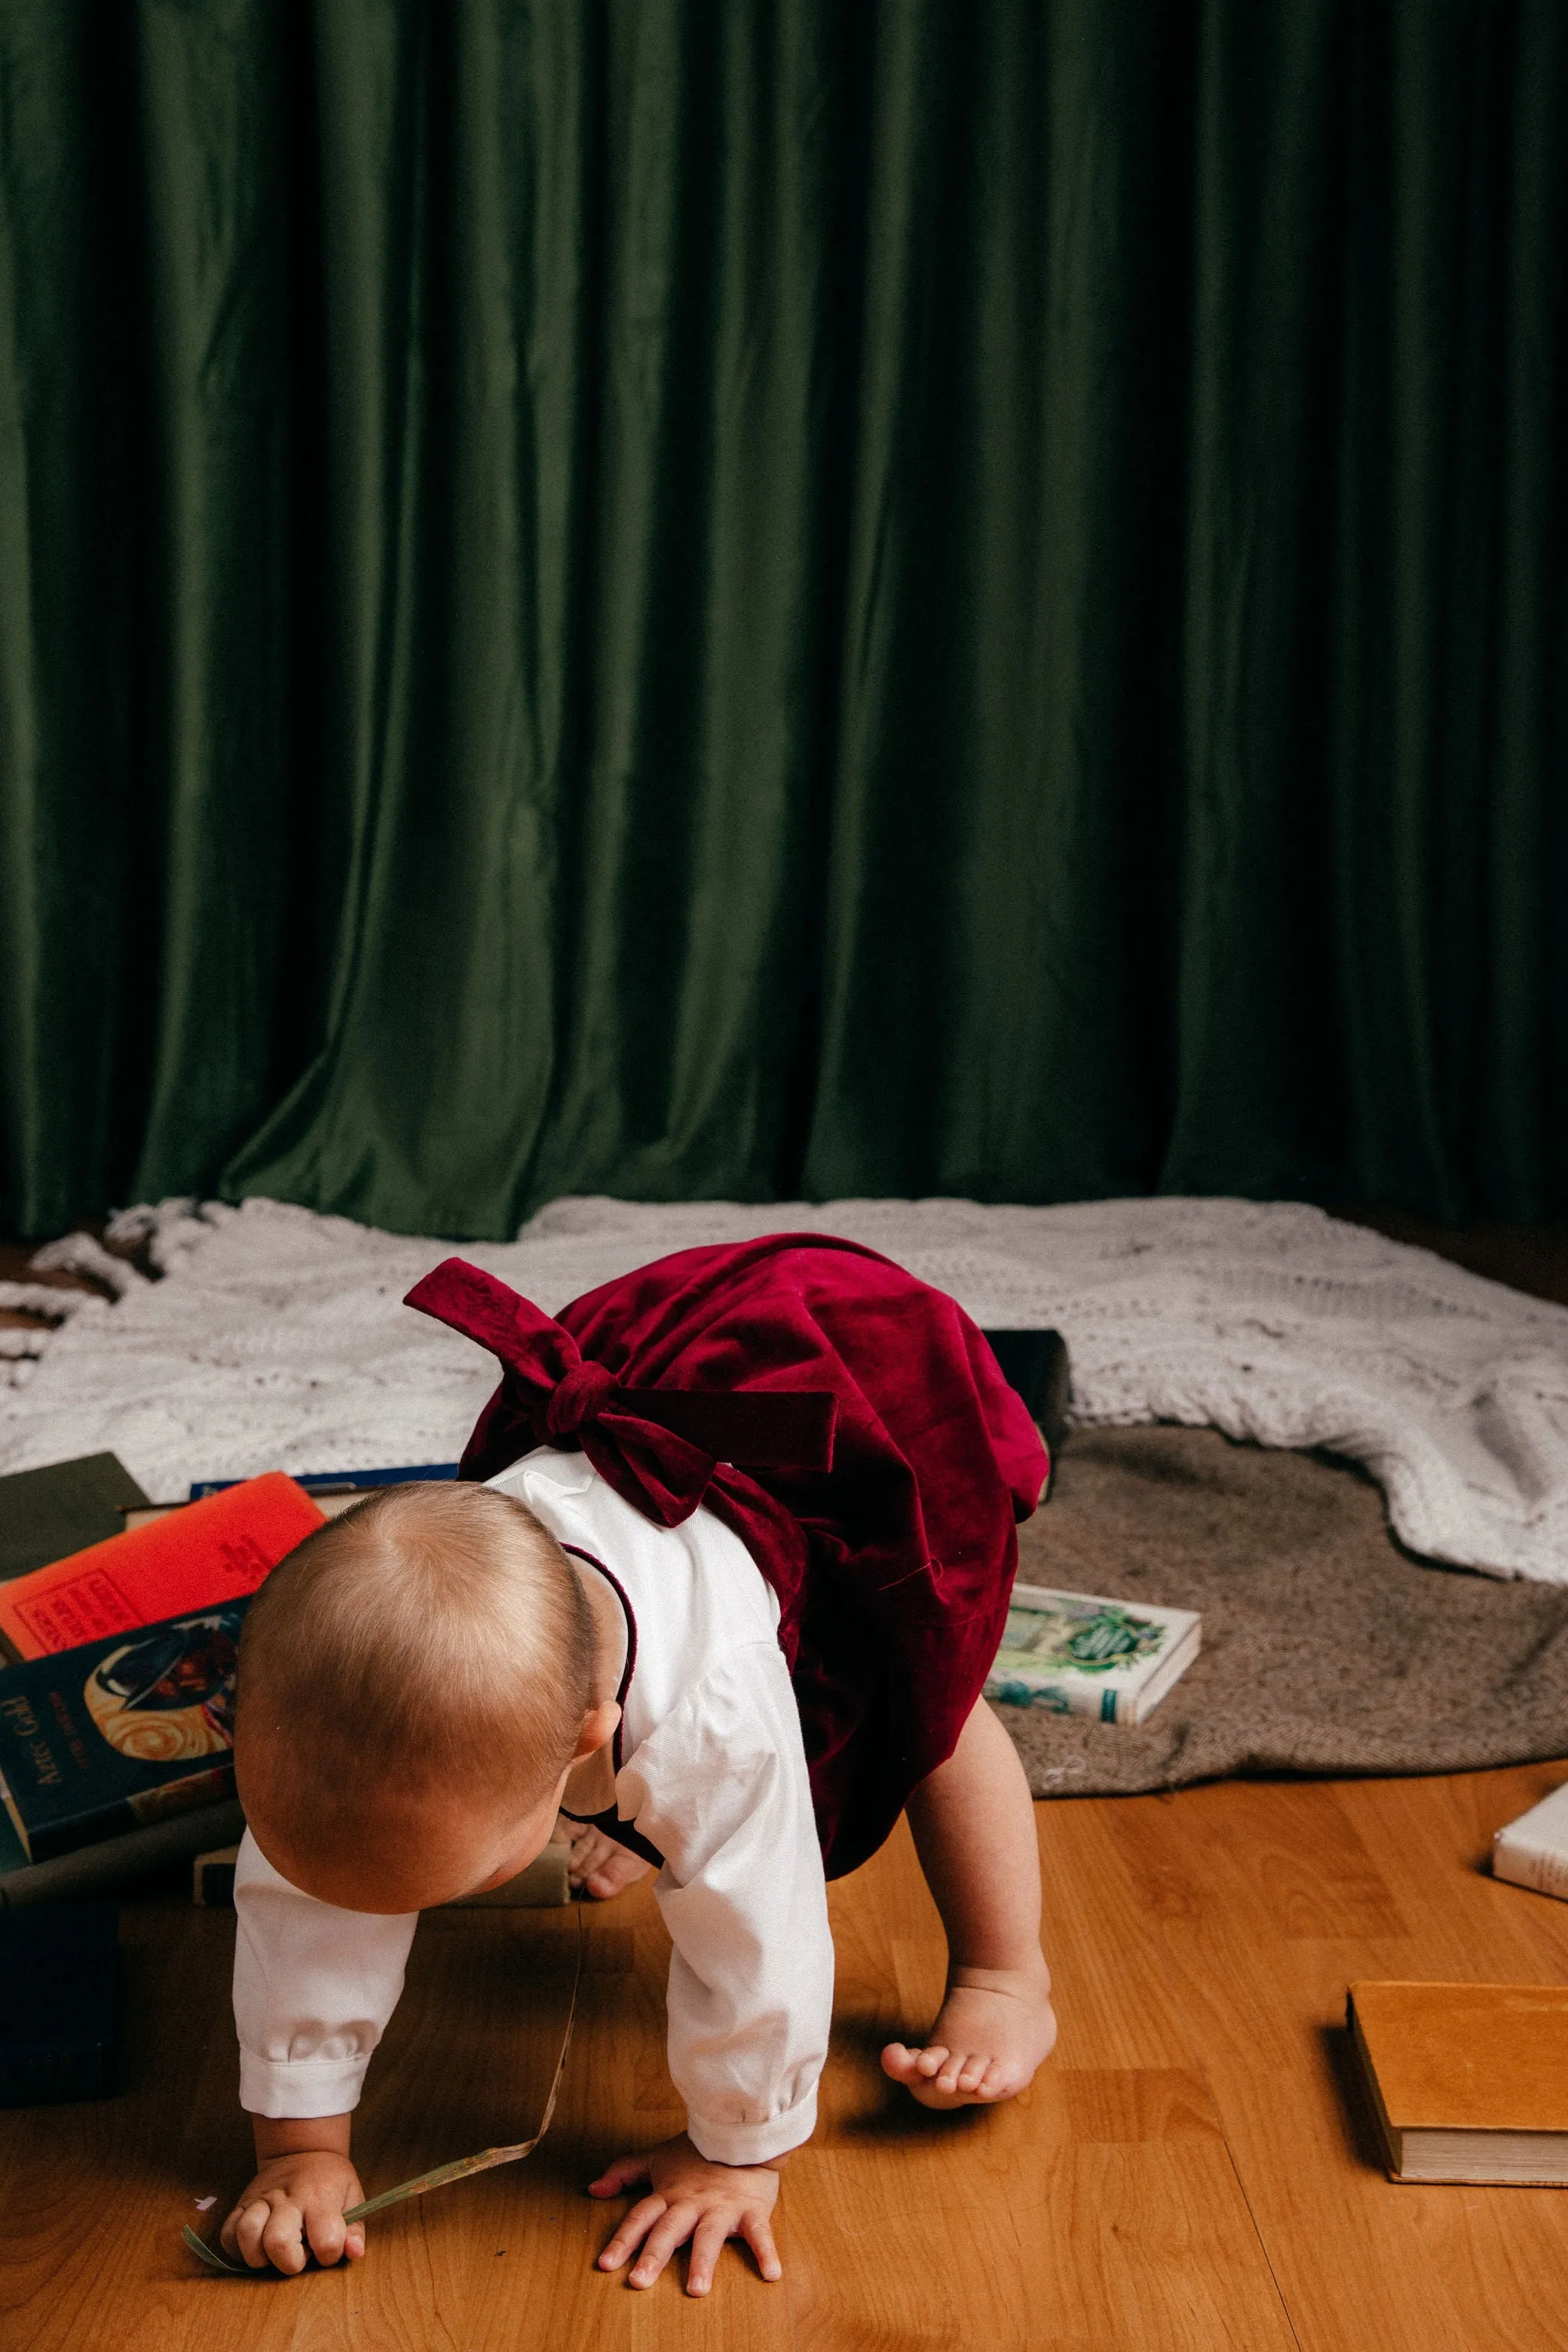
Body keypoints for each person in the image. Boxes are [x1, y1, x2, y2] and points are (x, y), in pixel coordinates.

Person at [220, 1236, 1059, 2294]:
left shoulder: (713, 1718)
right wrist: (302, 2143)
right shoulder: (361, 1702)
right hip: (637, 1385)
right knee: (484, 1748)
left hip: (854, 1413)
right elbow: (304, 1908)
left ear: (587, 1740)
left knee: (932, 1708)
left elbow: (765, 1942)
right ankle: (593, 1814)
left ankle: (1006, 1973)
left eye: (441, 1889)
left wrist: (732, 2153)